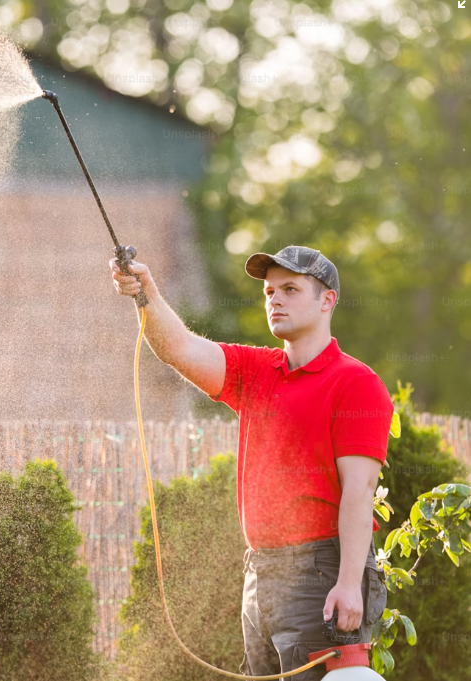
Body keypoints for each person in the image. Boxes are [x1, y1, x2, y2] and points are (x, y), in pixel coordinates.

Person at [109, 244, 391, 680]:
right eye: (269, 291)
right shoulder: (256, 370)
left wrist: (350, 583)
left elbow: (359, 491)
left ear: (327, 299)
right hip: (259, 572)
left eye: (291, 289)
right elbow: (179, 349)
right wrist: (145, 293)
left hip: (321, 574)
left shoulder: (356, 383)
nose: (274, 299)